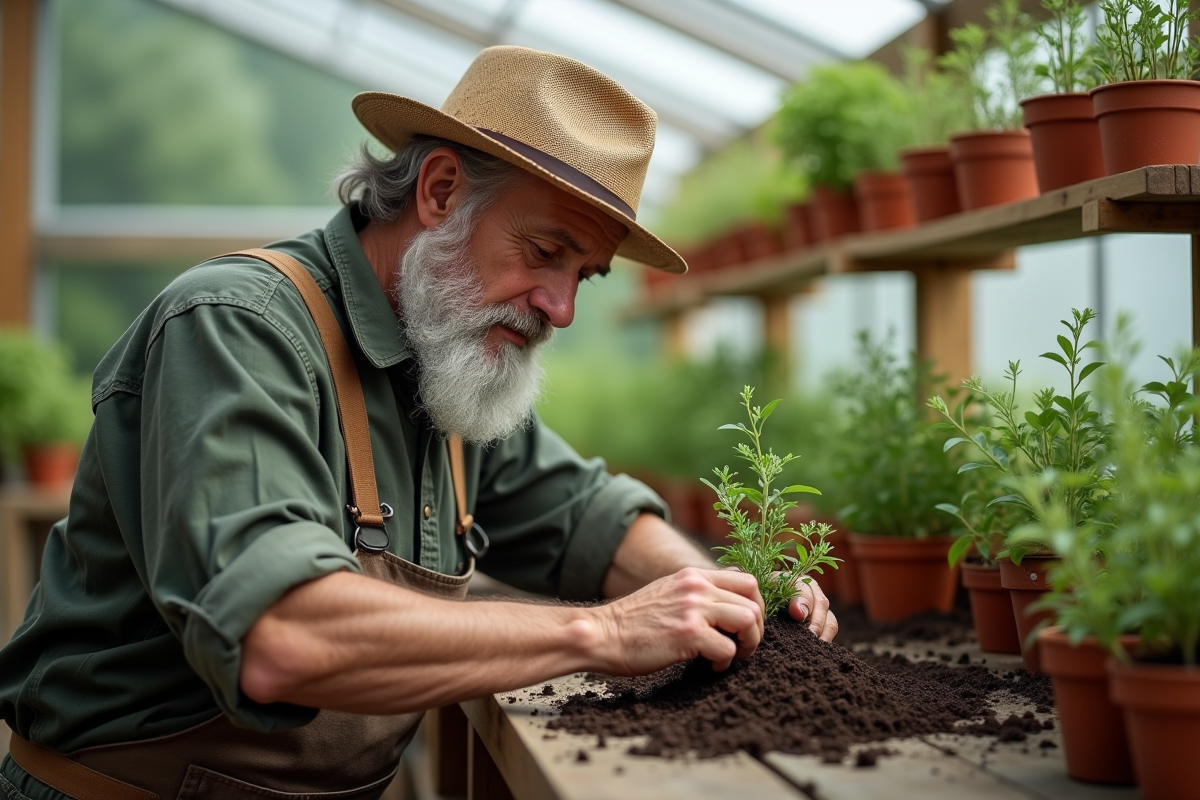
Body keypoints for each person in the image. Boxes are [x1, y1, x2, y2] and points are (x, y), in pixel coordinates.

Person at [0, 45, 836, 799]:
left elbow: (587, 515)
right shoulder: (237, 327)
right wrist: (608, 630)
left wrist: (721, 598)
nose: (563, 307)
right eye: (546, 252)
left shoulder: (448, 360)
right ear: (439, 191)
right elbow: (281, 635)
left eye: (588, 274)